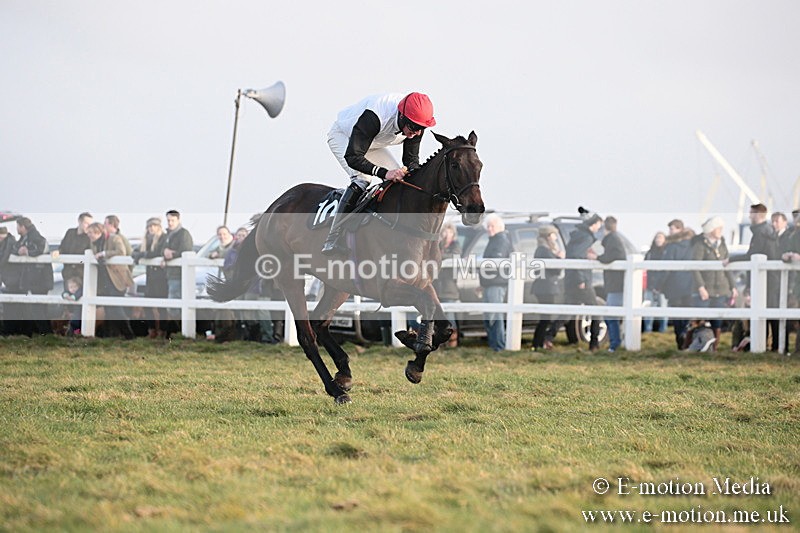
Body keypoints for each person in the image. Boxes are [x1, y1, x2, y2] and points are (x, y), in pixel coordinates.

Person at [322, 92, 436, 255]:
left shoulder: (416, 122)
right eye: (414, 128)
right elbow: (353, 157)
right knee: (362, 179)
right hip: (345, 138)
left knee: (401, 181)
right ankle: (333, 237)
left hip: (372, 143)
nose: (417, 133)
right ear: (402, 117)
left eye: (421, 129)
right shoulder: (375, 116)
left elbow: (410, 160)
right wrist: (384, 172)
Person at [726, 204, 779, 351]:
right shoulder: (768, 231)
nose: (749, 217)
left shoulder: (760, 233)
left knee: (764, 312)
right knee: (769, 312)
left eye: (751, 214)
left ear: (758, 215)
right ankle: (772, 345)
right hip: (771, 278)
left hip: (765, 279)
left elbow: (752, 254)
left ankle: (762, 345)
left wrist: (731, 259)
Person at [691, 216, 737, 350]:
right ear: (711, 229)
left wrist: (732, 286)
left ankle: (714, 347)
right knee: (701, 319)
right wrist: (701, 287)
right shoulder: (700, 245)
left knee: (717, 320)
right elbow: (696, 267)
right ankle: (699, 344)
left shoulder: (722, 244)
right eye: (719, 228)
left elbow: (727, 266)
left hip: (721, 289)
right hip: (706, 288)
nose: (721, 231)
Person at [5, 217, 53, 336]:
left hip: (39, 279)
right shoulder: (24, 238)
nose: (16, 229)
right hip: (34, 279)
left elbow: (41, 248)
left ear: (22, 227)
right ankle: (44, 333)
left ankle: (45, 333)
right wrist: (21, 250)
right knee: (38, 307)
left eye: (18, 226)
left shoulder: (36, 237)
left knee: (38, 308)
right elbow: (15, 248)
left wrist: (27, 251)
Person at [86, 222, 134, 338]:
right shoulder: (93, 243)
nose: (89, 235)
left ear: (98, 231)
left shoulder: (114, 238)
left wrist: (104, 254)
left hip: (116, 278)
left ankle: (129, 335)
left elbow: (121, 252)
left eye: (91, 233)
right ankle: (112, 335)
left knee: (116, 308)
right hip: (104, 279)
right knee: (109, 309)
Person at [565, 207, 603, 351]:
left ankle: (549, 337)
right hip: (582, 280)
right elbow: (577, 257)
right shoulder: (586, 238)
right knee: (595, 311)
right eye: (598, 225)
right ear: (593, 224)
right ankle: (594, 342)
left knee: (567, 311)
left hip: (571, 279)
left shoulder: (577, 235)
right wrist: (581, 279)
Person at [658, 224, 696, 349]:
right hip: (690, 285)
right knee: (687, 313)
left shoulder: (671, 247)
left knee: (676, 314)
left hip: (674, 285)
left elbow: (665, 269)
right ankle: (686, 335)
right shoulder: (693, 247)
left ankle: (680, 338)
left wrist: (660, 285)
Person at [480, 214, 513, 351]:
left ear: (499, 226)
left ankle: (498, 346)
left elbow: (494, 262)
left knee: (495, 315)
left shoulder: (501, 241)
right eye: (488, 226)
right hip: (491, 283)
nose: (489, 229)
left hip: (497, 283)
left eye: (492, 226)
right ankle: (495, 345)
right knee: (490, 315)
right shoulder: (494, 240)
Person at [132, 217, 168, 338]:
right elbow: (134, 252)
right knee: (147, 304)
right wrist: (139, 255)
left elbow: (156, 253)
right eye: (150, 226)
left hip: (161, 277)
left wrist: (142, 255)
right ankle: (151, 329)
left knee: (161, 306)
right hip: (150, 277)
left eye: (154, 226)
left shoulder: (164, 238)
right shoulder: (146, 240)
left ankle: (163, 331)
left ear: (159, 227)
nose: (152, 228)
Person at [531, 225, 564, 350]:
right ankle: (537, 343)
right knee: (545, 318)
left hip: (544, 287)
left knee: (545, 317)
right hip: (546, 288)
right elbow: (555, 268)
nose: (555, 238)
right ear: (549, 236)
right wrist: (560, 258)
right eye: (554, 235)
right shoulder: (544, 250)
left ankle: (538, 343)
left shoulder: (542, 249)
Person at [596, 216, 627, 352]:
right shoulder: (614, 239)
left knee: (610, 314)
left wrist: (597, 257)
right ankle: (615, 341)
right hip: (615, 283)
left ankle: (615, 343)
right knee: (610, 313)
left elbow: (612, 256)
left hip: (616, 284)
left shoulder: (613, 239)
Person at [162, 210, 193, 336]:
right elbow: (161, 249)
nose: (170, 223)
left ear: (178, 220)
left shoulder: (183, 234)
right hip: (170, 274)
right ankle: (175, 331)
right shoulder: (168, 235)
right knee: (173, 304)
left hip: (179, 275)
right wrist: (164, 253)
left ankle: (177, 331)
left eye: (172, 220)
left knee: (175, 303)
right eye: (168, 220)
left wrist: (172, 254)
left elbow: (186, 250)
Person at [433, 222, 462, 348]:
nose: (446, 234)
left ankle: (453, 343)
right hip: (437, 287)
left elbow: (454, 257)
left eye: (449, 231)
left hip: (449, 287)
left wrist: (439, 257)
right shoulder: (438, 245)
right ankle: (441, 343)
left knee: (450, 317)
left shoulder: (456, 246)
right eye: (444, 231)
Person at [643, 231, 668, 333]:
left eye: (661, 238)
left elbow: (666, 271)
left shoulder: (667, 253)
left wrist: (660, 285)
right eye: (657, 238)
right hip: (650, 285)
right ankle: (648, 329)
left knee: (663, 308)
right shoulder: (649, 253)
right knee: (648, 308)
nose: (659, 240)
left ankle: (663, 329)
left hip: (663, 286)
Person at [58, 212, 93, 282]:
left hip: (81, 274)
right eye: (86, 223)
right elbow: (62, 248)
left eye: (90, 224)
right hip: (68, 273)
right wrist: (55, 255)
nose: (88, 226)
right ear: (79, 221)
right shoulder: (70, 233)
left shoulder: (89, 237)